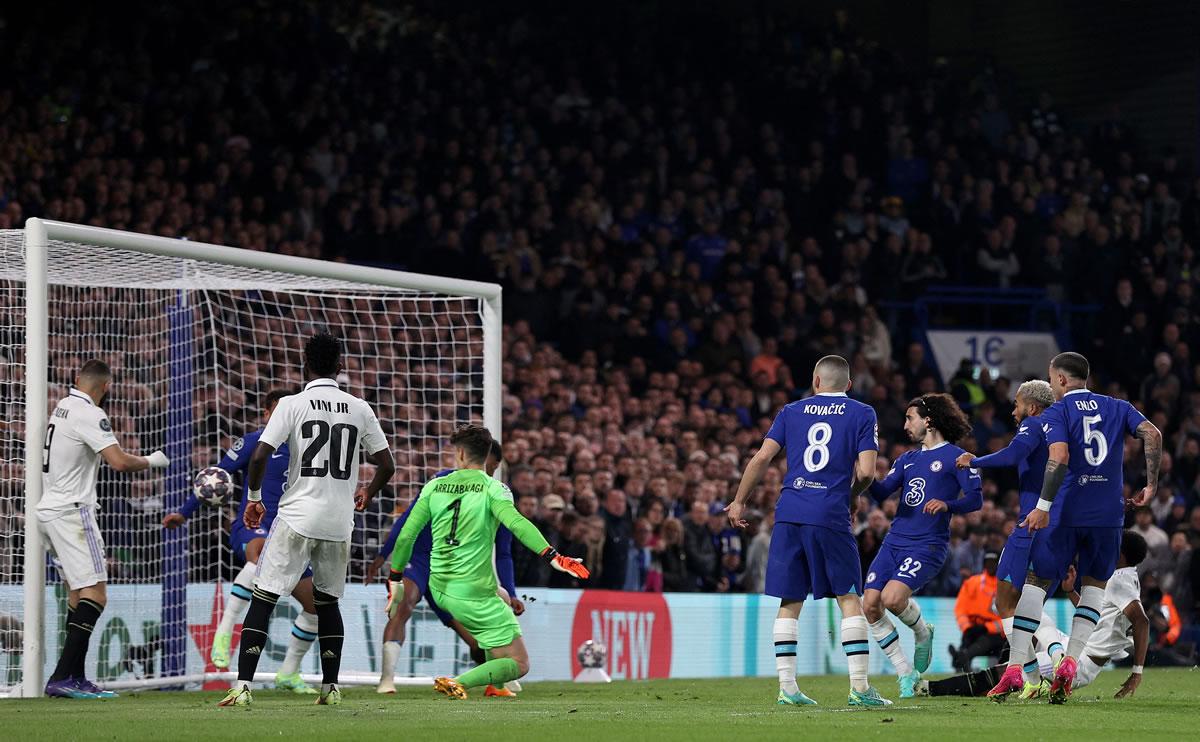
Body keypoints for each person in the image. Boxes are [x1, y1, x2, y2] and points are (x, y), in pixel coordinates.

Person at [220, 332, 396, 707]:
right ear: (341, 366)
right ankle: (330, 688)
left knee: (265, 595)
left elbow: (259, 456)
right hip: (338, 522)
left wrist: (253, 499)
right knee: (328, 603)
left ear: (305, 364)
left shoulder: (292, 404)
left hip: (297, 515)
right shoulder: (360, 407)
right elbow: (387, 465)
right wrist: (367, 490)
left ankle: (243, 686)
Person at [988, 352, 1161, 703]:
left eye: (1053, 379)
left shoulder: (1058, 411)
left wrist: (1042, 507)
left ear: (1062, 380)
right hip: (1108, 516)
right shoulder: (1118, 407)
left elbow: (1060, 458)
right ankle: (1069, 662)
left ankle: (1016, 668)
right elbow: (1152, 434)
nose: (1052, 385)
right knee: (1094, 587)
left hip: (1066, 514)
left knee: (1035, 584)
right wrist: (1151, 484)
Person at [726, 355, 892, 707]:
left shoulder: (791, 411)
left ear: (816, 381)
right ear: (848, 385)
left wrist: (739, 501)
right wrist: (851, 497)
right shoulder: (862, 413)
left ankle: (787, 688)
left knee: (790, 600)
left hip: (788, 514)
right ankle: (860, 689)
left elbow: (760, 458)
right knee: (849, 597)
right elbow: (865, 472)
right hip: (829, 514)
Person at [386, 425, 589, 700]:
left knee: (502, 596)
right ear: (487, 456)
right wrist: (553, 556)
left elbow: (406, 534)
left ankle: (496, 685)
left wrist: (395, 578)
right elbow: (517, 523)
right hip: (472, 591)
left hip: (439, 585)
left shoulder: (434, 485)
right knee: (520, 663)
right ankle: (457, 681)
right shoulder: (495, 488)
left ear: (459, 453)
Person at [163, 389, 319, 693]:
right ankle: (225, 629)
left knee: (317, 606)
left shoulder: (307, 449)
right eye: (278, 411)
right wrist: (184, 513)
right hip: (252, 528)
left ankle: (288, 672)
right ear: (266, 413)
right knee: (260, 553)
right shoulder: (253, 442)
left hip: (292, 536)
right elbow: (215, 479)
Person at [39, 360, 170, 698]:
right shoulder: (90, 413)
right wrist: (153, 460)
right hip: (73, 512)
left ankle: (75, 678)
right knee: (96, 594)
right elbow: (120, 462)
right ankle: (60, 677)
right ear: (107, 387)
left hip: (49, 509)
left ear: (76, 379)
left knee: (76, 593)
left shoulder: (63, 406)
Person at [367, 439, 522, 697]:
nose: (490, 473)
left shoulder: (496, 493)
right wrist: (385, 553)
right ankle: (386, 679)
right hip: (420, 560)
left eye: (493, 469)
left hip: (454, 569)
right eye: (489, 466)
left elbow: (503, 551)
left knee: (476, 639)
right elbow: (408, 520)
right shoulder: (441, 482)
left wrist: (513, 591)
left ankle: (497, 680)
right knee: (403, 604)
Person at [866, 392, 981, 698]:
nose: (906, 424)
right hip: (894, 542)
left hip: (927, 544)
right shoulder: (907, 459)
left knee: (892, 599)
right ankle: (905, 672)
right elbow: (880, 493)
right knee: (870, 605)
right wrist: (860, 468)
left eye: (909, 417)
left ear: (928, 421)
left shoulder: (956, 457)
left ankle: (921, 632)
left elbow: (975, 498)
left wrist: (947, 504)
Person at [956, 379, 1062, 693]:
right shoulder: (1061, 430)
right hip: (1058, 525)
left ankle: (1033, 676)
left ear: (1031, 406)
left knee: (1003, 600)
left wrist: (973, 460)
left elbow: (1013, 455)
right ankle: (1053, 660)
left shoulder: (1033, 424)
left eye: (1016, 405)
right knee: (1029, 601)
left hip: (1032, 524)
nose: (1013, 411)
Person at [1037, 531, 1150, 698]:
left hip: (1081, 663)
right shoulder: (1122, 574)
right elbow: (1093, 614)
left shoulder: (1120, 581)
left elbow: (1142, 621)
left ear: (1120, 554)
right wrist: (1070, 591)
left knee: (1016, 669)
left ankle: (1025, 681)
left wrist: (1137, 672)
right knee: (1030, 621)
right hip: (1072, 644)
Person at [948, 552, 1005, 672]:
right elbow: (960, 609)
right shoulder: (972, 583)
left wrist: (986, 627)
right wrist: (967, 628)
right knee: (968, 638)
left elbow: (1009, 617)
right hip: (973, 628)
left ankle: (962, 657)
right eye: (987, 563)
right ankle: (963, 659)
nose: (990, 566)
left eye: (993, 563)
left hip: (997, 635)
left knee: (985, 640)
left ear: (999, 564)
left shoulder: (1005, 586)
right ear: (983, 564)